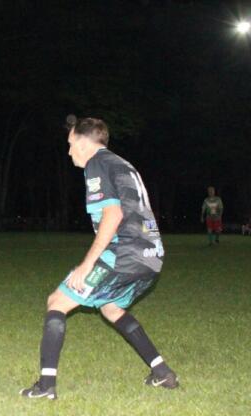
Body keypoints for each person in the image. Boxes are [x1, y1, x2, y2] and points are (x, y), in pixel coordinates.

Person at [20, 117, 178, 400]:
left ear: (83, 141)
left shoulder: (96, 164)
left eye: (70, 145)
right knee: (111, 308)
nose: (69, 152)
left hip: (125, 252)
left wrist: (87, 263)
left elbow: (113, 215)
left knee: (58, 301)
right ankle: (162, 372)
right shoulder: (121, 163)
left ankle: (46, 387)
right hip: (151, 255)